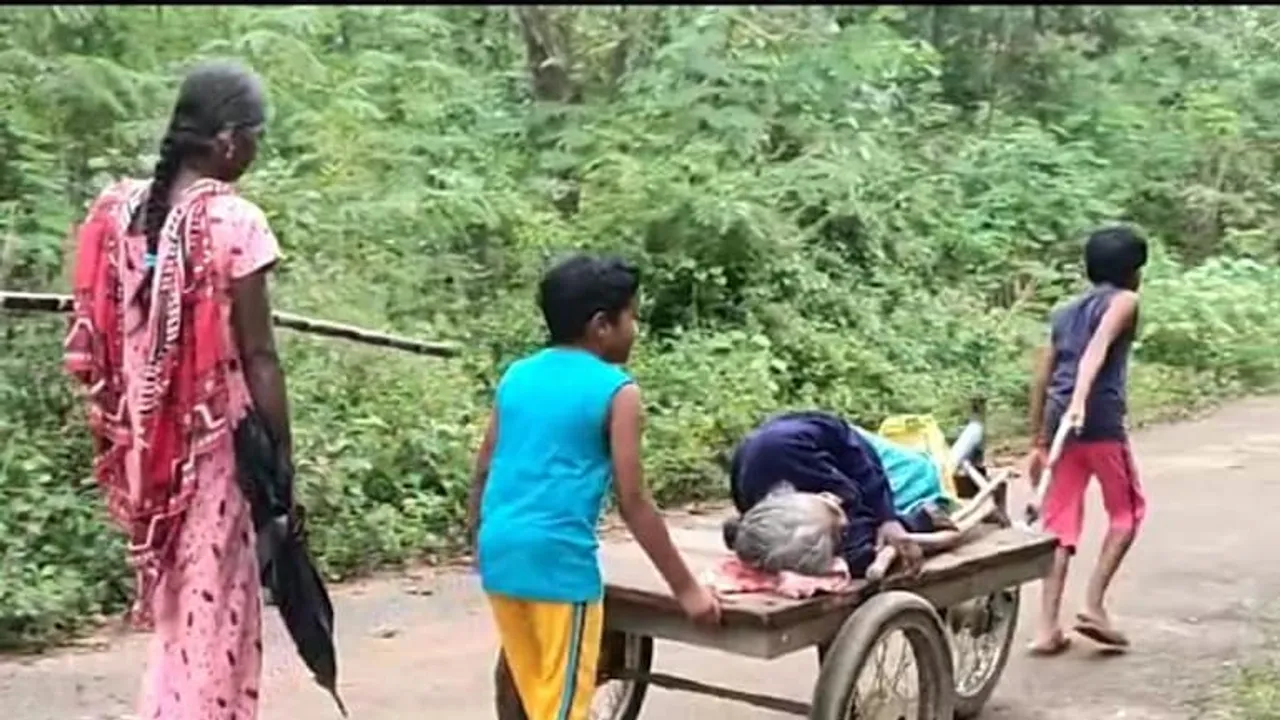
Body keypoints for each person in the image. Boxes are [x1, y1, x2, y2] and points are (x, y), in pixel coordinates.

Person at [63, 61, 286, 720]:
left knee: (176, 617)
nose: (255, 149)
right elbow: (262, 359)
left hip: (147, 447)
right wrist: (282, 464)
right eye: (255, 135)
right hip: (216, 455)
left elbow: (100, 321)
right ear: (225, 141)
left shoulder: (117, 210)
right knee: (214, 620)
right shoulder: (235, 223)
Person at [467, 255, 721, 720]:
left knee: (531, 691)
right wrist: (687, 590)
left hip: (499, 556)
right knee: (563, 709)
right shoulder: (616, 390)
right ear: (601, 325)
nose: (636, 329)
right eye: (633, 316)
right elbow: (634, 501)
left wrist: (476, 541)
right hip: (559, 568)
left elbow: (484, 467)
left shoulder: (517, 375)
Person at [1025, 226, 1148, 656]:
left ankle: (1046, 628)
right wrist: (1081, 401)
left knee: (1059, 524)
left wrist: (1038, 438)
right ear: (1135, 272)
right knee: (1127, 512)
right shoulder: (1126, 301)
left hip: (1061, 426)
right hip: (1098, 422)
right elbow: (1097, 348)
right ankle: (1094, 606)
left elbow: (1043, 373)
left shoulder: (1064, 312)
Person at [724, 411, 930, 580]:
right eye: (839, 530)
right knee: (858, 553)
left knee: (923, 472)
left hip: (854, 449)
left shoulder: (784, 442)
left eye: (828, 502)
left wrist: (888, 518)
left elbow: (840, 433)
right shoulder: (758, 506)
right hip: (812, 497)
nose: (834, 499)